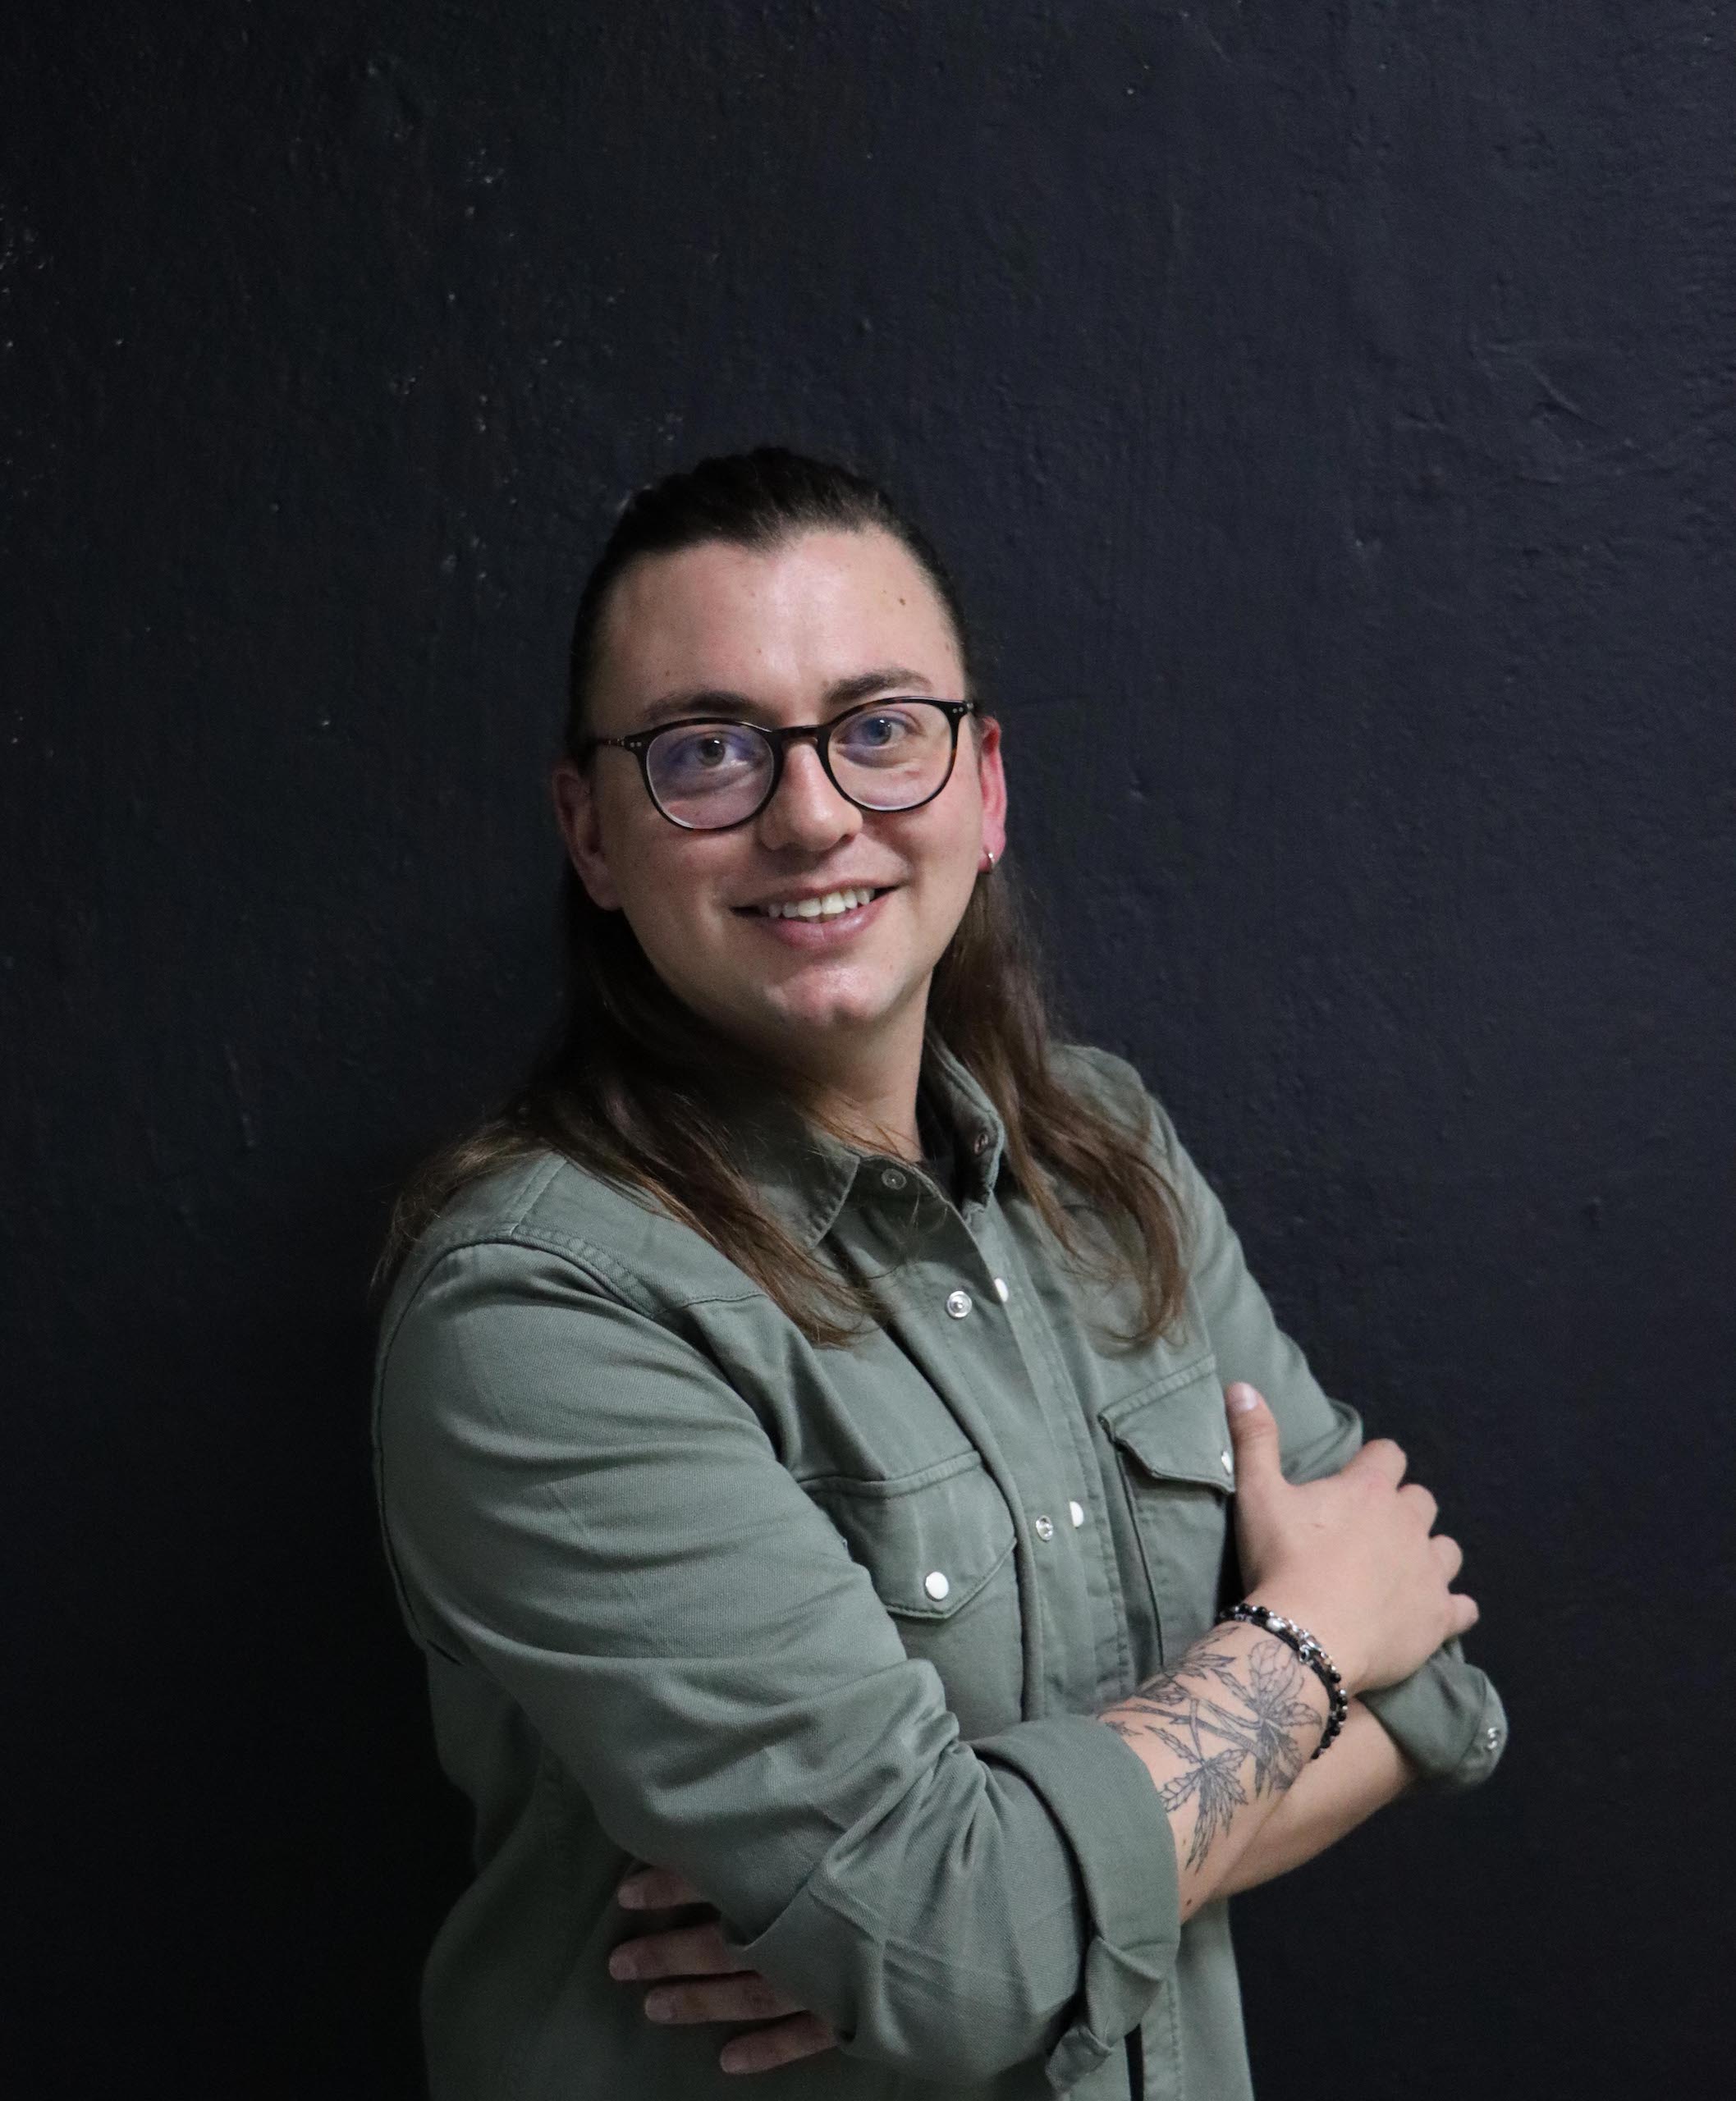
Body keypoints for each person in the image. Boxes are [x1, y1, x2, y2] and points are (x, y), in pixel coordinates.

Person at [369, 445, 1505, 2101]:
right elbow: (951, 1938)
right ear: (590, 831)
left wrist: (985, 1923)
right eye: (704, 749)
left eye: (877, 727)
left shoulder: (1106, 1159)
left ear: (981, 786)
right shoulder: (533, 1310)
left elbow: (1440, 1690)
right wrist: (1302, 1643)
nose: (811, 809)